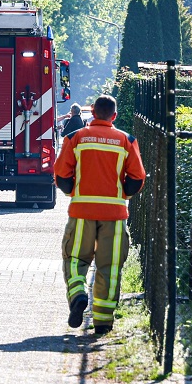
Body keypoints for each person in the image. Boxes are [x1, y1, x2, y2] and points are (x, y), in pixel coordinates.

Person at [54, 94, 146, 335]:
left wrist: (74, 191)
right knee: (109, 266)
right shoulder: (126, 140)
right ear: (114, 115)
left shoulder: (75, 138)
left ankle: (78, 296)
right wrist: (121, 195)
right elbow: (137, 178)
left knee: (75, 259)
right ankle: (103, 322)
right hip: (115, 216)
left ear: (92, 111)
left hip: (82, 212)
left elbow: (61, 176)